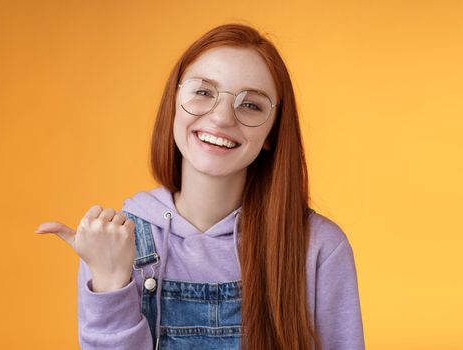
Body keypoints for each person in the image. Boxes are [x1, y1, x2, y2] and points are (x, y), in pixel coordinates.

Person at [35, 23, 365, 350]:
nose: (222, 117)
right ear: (173, 102)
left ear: (272, 135)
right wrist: (110, 284)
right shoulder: (114, 244)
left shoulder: (318, 247)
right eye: (204, 92)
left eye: (251, 104)